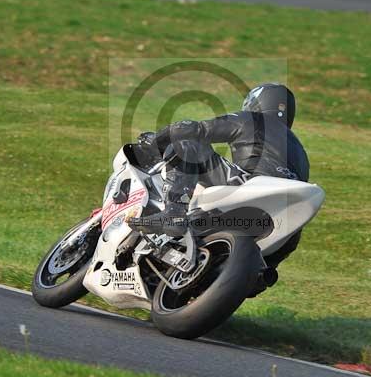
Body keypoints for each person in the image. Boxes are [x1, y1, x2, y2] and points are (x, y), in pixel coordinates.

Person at [129, 82, 309, 279]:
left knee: (186, 144)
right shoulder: (301, 152)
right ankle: (261, 273)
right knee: (294, 232)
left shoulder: (253, 119)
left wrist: (157, 140)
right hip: (279, 213)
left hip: (248, 184)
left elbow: (193, 129)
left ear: (255, 104)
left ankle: (175, 210)